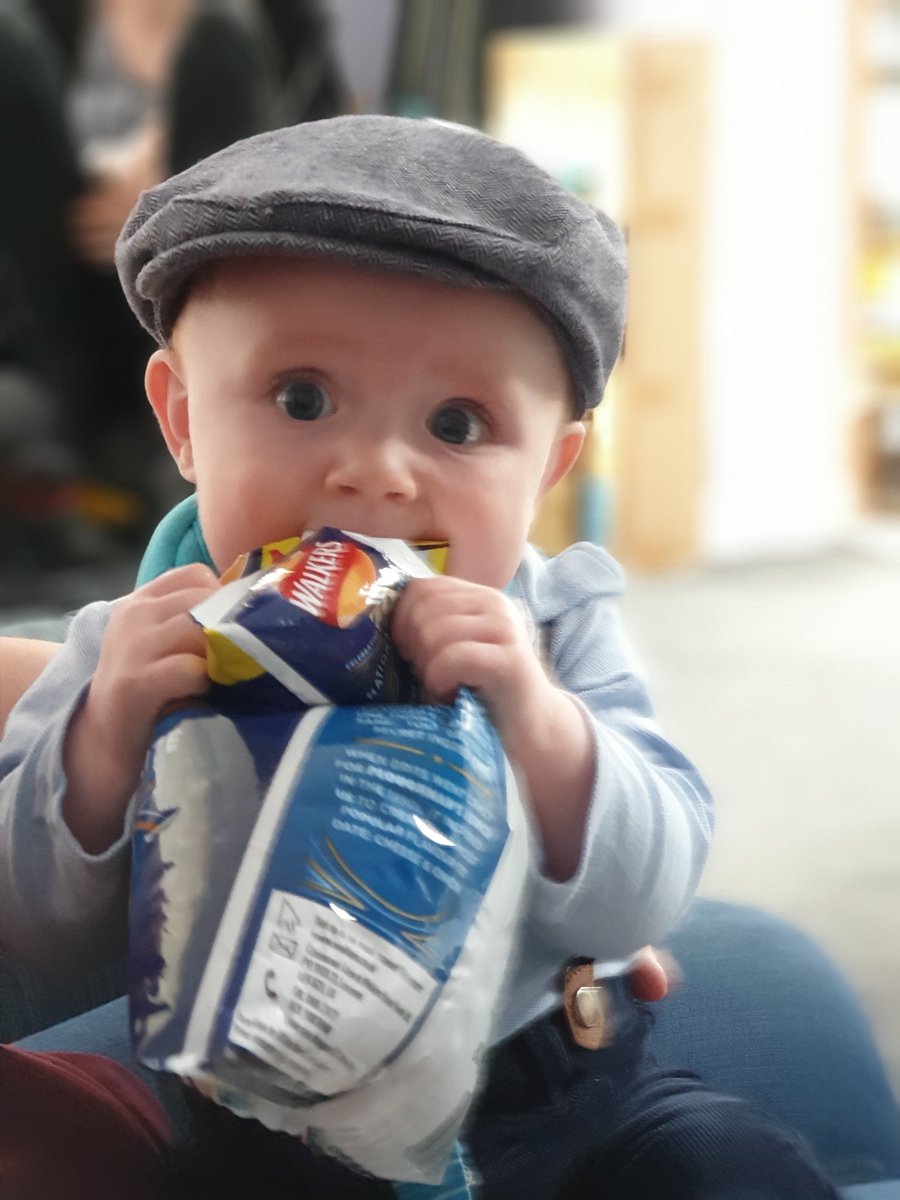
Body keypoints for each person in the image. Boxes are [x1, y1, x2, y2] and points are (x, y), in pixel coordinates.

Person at [0, 115, 840, 1198]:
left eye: (457, 422)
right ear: (182, 419)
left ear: (548, 467)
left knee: (725, 1162)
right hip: (273, 1132)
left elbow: (645, 893)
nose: (378, 473)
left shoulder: (552, 624)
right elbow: (35, 930)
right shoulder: (136, 643)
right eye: (300, 398)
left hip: (557, 1100)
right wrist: (105, 740)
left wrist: (539, 722)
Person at [0, 0, 348, 529]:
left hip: (197, 295)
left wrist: (167, 201)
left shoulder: (283, 28)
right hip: (63, 308)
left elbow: (336, 190)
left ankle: (201, 399)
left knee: (221, 38)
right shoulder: (47, 20)